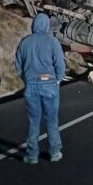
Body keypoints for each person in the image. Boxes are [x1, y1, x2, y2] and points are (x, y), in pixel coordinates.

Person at [15, 13, 65, 164]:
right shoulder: (53, 41)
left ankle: (32, 155)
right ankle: (55, 152)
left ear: (33, 25)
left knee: (33, 121)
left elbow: (18, 66)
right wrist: (57, 79)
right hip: (49, 84)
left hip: (31, 85)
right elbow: (60, 65)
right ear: (47, 26)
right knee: (51, 120)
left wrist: (28, 80)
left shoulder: (24, 42)